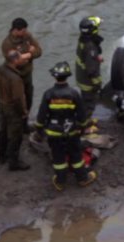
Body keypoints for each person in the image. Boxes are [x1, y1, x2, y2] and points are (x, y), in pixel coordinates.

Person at [34, 61, 97, 191]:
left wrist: (39, 130)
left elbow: (41, 116)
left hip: (54, 134)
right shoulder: (74, 93)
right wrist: (82, 128)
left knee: (58, 158)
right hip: (71, 132)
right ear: (67, 76)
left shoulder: (48, 94)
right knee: (76, 156)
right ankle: (82, 179)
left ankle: (60, 181)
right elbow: (81, 115)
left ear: (54, 76)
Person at [1, 17, 42, 133]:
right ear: (16, 30)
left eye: (25, 30)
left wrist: (27, 55)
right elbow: (16, 61)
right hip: (15, 77)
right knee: (17, 103)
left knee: (29, 99)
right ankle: (15, 126)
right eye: (23, 31)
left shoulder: (27, 36)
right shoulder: (7, 44)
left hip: (27, 75)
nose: (25, 33)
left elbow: (39, 51)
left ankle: (25, 125)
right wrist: (30, 53)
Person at [0, 50, 30, 171]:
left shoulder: (0, 69)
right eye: (20, 57)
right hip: (12, 108)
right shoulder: (15, 78)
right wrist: (23, 112)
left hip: (2, 104)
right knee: (15, 135)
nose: (22, 58)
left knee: (3, 130)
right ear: (14, 60)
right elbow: (18, 98)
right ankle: (13, 162)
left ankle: (1, 154)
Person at [75, 16, 104, 124]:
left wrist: (96, 58)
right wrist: (98, 84)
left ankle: (84, 121)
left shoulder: (82, 39)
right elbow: (91, 70)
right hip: (88, 81)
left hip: (81, 78)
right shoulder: (90, 46)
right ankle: (84, 127)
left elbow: (86, 58)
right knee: (89, 105)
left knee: (84, 102)